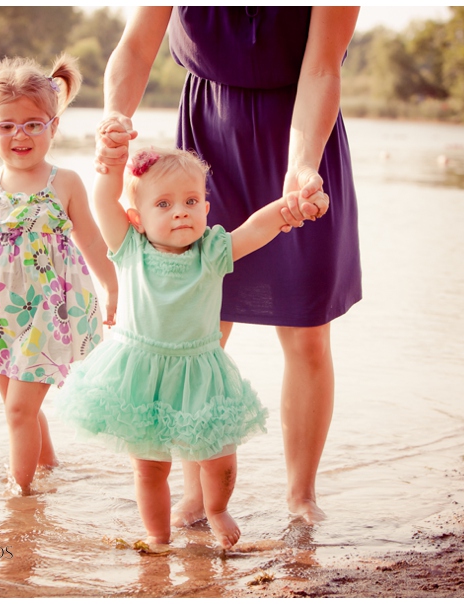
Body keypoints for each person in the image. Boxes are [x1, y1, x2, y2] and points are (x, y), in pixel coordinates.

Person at [95, 7, 362, 524]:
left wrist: (303, 164)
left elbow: (324, 69)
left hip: (302, 140)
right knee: (199, 328)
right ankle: (197, 497)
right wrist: (114, 117)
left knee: (306, 330)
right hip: (204, 145)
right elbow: (134, 47)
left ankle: (301, 496)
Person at [57, 136, 327, 550]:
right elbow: (102, 200)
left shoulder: (213, 250)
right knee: (149, 468)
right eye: (163, 205)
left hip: (199, 370)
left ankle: (216, 507)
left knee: (218, 455)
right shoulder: (129, 248)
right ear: (137, 218)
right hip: (139, 372)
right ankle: (157, 536)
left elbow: (255, 228)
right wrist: (111, 164)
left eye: (190, 201)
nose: (180, 211)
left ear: (205, 207)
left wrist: (286, 208)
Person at [0, 55, 117, 496]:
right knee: (21, 410)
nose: (21, 134)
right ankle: (50, 469)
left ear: (54, 127)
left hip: (46, 315)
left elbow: (91, 241)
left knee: (18, 411)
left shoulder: (64, 181)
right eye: (8, 125)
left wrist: (112, 287)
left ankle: (22, 497)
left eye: (34, 124)